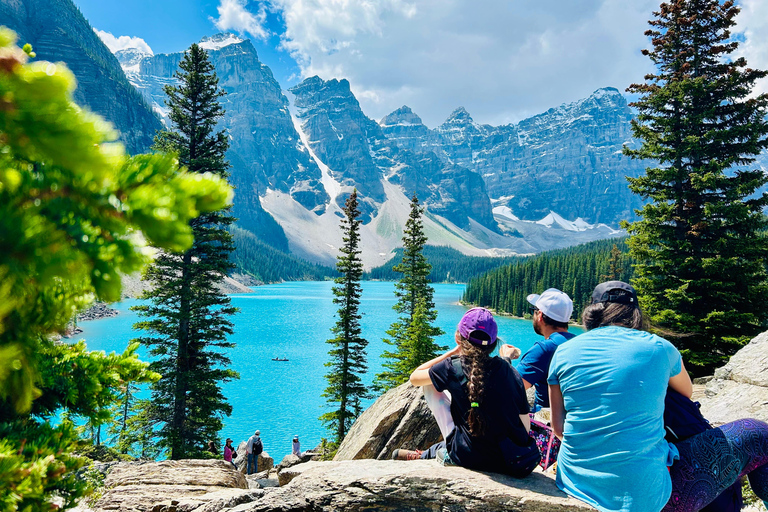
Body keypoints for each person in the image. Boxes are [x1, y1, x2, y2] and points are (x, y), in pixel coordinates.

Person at [547, 280, 768, 512]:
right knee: (759, 433)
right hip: (646, 499)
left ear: (591, 312)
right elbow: (686, 393)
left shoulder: (563, 351)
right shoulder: (660, 347)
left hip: (575, 482)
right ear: (635, 314)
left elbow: (559, 428)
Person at [393, 307, 540, 478]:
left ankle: (439, 453)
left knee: (429, 385)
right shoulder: (510, 371)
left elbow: (415, 377)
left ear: (458, 338)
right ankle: (430, 453)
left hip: (469, 457)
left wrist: (454, 352)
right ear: (493, 344)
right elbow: (525, 427)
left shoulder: (451, 367)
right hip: (510, 461)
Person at [505, 288, 575, 411]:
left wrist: (506, 358)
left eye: (534, 311)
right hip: (572, 417)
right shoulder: (577, 342)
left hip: (548, 421)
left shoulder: (544, 349)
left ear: (540, 315)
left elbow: (509, 388)